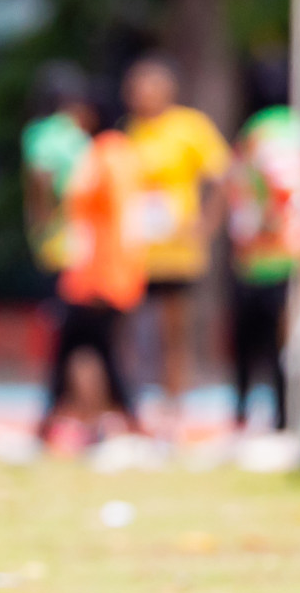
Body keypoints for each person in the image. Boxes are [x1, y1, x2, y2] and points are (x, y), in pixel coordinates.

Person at [123, 57, 231, 438]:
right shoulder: (131, 131)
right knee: (134, 334)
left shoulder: (190, 127)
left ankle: (174, 410)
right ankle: (136, 406)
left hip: (177, 250)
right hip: (136, 250)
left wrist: (207, 224)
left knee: (174, 333)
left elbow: (221, 176)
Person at [38, 86, 147, 442]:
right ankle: (103, 423)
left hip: (97, 275)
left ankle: (106, 423)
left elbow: (108, 218)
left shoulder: (104, 156)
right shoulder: (121, 153)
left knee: (83, 349)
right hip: (105, 271)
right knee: (93, 350)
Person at [226, 62, 300, 432]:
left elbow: (282, 186)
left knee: (256, 341)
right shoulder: (299, 128)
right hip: (294, 250)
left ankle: (252, 413)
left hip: (265, 252)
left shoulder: (264, 130)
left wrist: (263, 226)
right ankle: (284, 414)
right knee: (284, 341)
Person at [22, 62, 94, 277]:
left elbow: (40, 178)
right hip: (82, 219)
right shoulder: (77, 132)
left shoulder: (39, 131)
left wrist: (40, 220)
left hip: (60, 220)